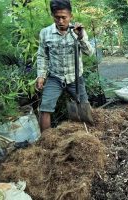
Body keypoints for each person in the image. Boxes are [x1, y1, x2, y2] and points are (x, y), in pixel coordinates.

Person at [36, 0, 93, 132]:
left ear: (70, 16)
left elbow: (89, 53)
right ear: (53, 16)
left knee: (84, 106)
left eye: (64, 17)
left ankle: (90, 135)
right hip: (55, 78)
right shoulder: (45, 33)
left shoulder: (78, 32)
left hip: (75, 78)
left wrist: (81, 37)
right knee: (45, 108)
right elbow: (42, 56)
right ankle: (46, 142)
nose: (61, 21)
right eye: (57, 17)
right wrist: (41, 76)